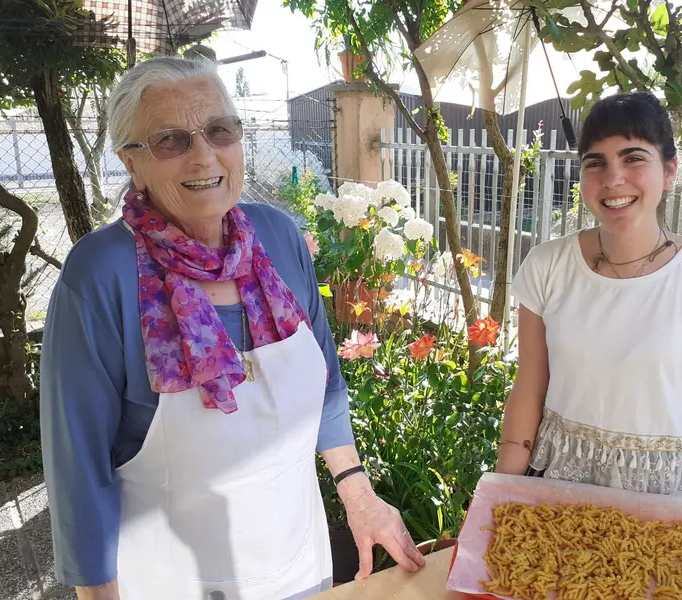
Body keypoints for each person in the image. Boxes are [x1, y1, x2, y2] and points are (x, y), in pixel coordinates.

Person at [40, 56, 424, 600]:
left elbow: (327, 383)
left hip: (298, 561)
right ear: (133, 163)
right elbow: (78, 466)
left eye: (219, 130)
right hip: (171, 579)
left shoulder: (279, 238)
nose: (204, 154)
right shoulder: (101, 274)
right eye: (170, 140)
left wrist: (357, 492)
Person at [496, 92, 682, 571]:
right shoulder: (547, 266)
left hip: (661, 493)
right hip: (557, 476)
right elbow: (529, 386)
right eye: (596, 163)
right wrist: (502, 488)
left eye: (634, 158)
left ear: (670, 171)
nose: (613, 179)